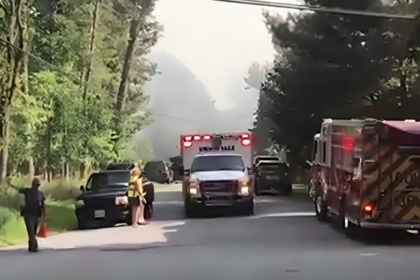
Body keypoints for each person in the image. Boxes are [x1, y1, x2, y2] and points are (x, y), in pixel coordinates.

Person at [19, 176, 45, 252]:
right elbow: (18, 189)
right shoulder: (27, 191)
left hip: (36, 214)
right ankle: (34, 246)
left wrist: (44, 215)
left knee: (33, 231)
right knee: (31, 231)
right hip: (28, 214)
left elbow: (43, 205)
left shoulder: (40, 194)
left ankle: (31, 245)